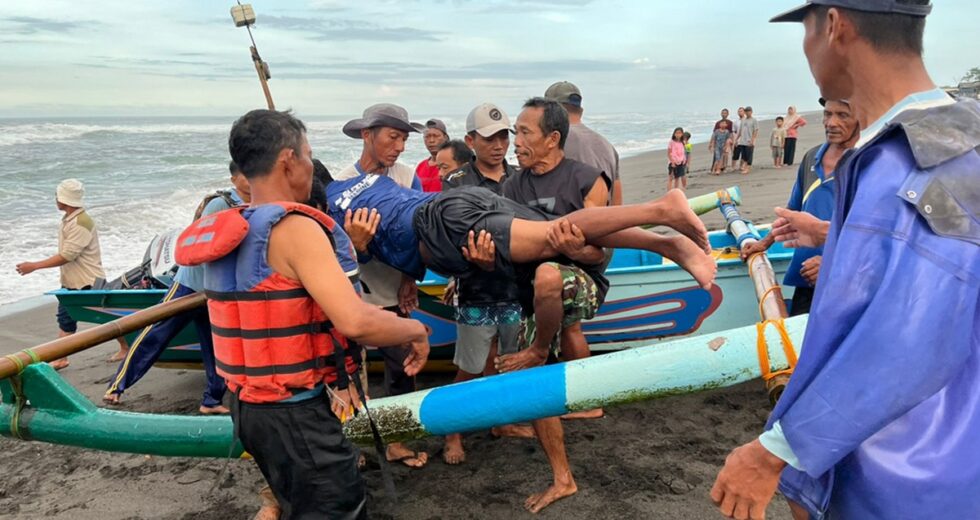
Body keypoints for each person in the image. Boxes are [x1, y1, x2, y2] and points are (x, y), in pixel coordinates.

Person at [712, 3, 980, 520]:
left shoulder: (918, 161)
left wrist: (774, 452)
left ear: (834, 26)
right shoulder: (954, 137)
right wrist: (830, 236)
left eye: (807, 30)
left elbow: (912, 339)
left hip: (910, 473)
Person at [176, 109, 430, 519]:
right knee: (336, 508)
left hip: (246, 406)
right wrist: (415, 329)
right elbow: (355, 322)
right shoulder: (296, 228)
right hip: (293, 411)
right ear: (288, 160)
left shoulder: (231, 227)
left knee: (298, 504)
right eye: (309, 155)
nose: (312, 166)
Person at [103, 161, 252, 413]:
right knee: (156, 334)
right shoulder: (221, 203)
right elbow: (205, 244)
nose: (250, 180)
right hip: (190, 284)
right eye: (244, 175)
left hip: (217, 290)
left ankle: (211, 401)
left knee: (216, 346)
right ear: (233, 179)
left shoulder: (257, 203)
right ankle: (117, 386)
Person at [336, 102, 431, 469]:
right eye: (393, 137)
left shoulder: (408, 177)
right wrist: (356, 245)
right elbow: (330, 253)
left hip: (394, 293)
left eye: (404, 139)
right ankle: (355, 447)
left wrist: (411, 278)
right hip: (353, 297)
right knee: (349, 374)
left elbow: (421, 235)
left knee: (402, 370)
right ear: (367, 135)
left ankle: (396, 441)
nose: (400, 147)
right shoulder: (341, 183)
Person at [440, 103, 531, 465]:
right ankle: (452, 433)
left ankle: (501, 422)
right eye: (489, 137)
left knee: (508, 360)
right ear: (471, 140)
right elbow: (447, 234)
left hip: (513, 286)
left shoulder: (518, 177)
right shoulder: (457, 181)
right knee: (470, 365)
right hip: (476, 287)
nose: (499, 144)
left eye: (504, 136)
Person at [740, 99, 858, 316]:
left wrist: (832, 262)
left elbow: (877, 235)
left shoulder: (870, 164)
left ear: (862, 118)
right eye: (827, 114)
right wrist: (764, 243)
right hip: (806, 277)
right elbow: (792, 211)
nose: (831, 122)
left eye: (842, 115)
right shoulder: (812, 157)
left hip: (848, 281)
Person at [15, 179, 128, 369]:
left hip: (87, 281)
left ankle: (62, 357)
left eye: (57, 196)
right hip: (75, 280)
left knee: (99, 317)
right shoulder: (71, 219)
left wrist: (34, 266)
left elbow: (67, 255)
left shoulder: (80, 223)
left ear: (64, 200)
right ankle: (63, 357)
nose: (55, 200)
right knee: (72, 317)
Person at [544, 81, 622, 205]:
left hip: (571, 222)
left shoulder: (553, 143)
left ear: (549, 112)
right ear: (580, 111)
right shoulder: (608, 146)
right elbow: (617, 206)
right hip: (605, 220)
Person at [415, 118, 450, 192]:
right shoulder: (420, 166)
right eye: (427, 136)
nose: (431, 140)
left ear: (445, 137)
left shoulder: (452, 164)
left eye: (436, 136)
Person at [735, 106, 759, 174]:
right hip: (743, 140)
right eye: (746, 111)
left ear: (751, 112)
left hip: (749, 140)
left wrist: (753, 139)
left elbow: (756, 130)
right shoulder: (743, 120)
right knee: (744, 155)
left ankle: (747, 168)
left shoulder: (754, 120)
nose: (747, 113)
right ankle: (744, 167)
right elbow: (740, 131)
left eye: (749, 111)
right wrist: (736, 139)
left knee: (749, 155)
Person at [729, 107, 746, 171]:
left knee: (744, 154)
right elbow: (734, 131)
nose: (740, 112)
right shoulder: (736, 122)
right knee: (735, 154)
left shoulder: (747, 120)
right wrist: (734, 140)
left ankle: (741, 166)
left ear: (744, 112)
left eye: (741, 111)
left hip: (745, 140)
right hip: (738, 140)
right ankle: (733, 167)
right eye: (739, 111)